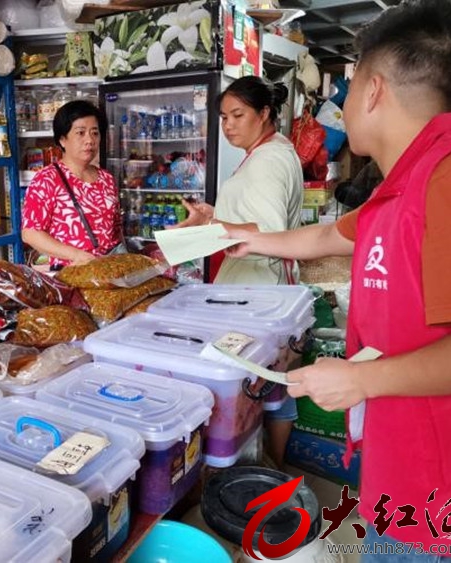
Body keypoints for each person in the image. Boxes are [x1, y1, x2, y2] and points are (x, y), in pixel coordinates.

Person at [225, 0, 451, 559]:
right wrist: (233, 235)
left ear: (374, 90)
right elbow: (324, 239)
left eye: (354, 78)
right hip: (396, 465)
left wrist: (363, 380)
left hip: (441, 493)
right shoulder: (400, 184)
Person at [177, 76, 304, 468]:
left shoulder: (267, 161)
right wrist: (214, 217)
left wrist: (215, 231)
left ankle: (263, 468)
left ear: (264, 114)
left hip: (255, 293)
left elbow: (267, 232)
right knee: (275, 381)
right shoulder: (268, 151)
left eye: (238, 115)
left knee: (264, 385)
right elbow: (252, 220)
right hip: (263, 290)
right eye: (223, 117)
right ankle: (270, 467)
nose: (228, 125)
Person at [21, 100, 123, 269]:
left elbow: (116, 229)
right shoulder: (47, 179)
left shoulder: (106, 179)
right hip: (71, 273)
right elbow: (30, 233)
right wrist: (76, 255)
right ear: (62, 140)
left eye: (95, 133)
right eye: (80, 133)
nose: (89, 140)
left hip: (109, 270)